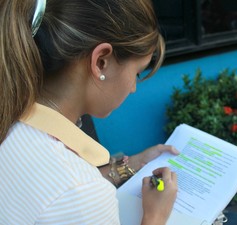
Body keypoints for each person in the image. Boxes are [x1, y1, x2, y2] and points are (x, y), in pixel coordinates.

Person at [0, 0, 179, 224]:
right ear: (101, 62)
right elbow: (72, 194)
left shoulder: (12, 118)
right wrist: (155, 216)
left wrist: (129, 166)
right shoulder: (81, 192)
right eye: (137, 73)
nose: (133, 88)